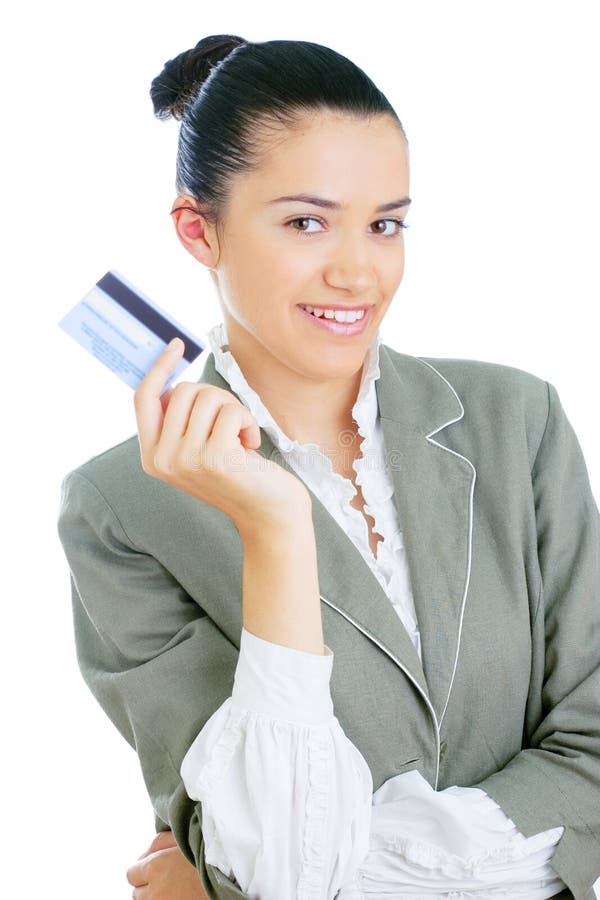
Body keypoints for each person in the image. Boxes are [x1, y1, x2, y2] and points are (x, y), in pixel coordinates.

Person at [56, 34, 600, 900]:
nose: (359, 271)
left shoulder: (517, 421)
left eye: (385, 223)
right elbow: (280, 865)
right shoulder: (120, 509)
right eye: (307, 221)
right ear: (200, 230)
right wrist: (276, 528)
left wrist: (315, 874)